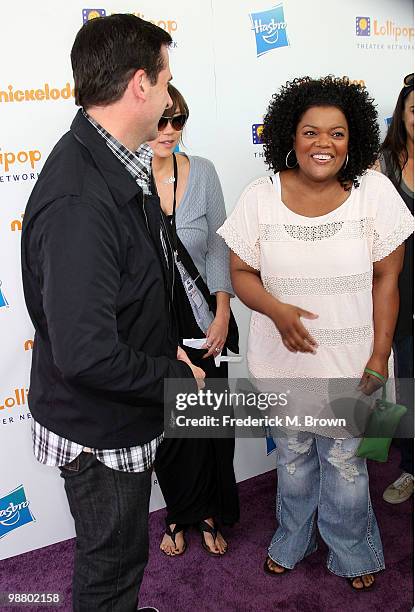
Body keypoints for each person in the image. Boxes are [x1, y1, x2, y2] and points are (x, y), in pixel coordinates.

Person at [21, 14, 204, 612]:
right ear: (140, 85)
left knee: (119, 555)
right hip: (100, 426)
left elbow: (123, 291)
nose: (172, 91)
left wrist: (163, 347)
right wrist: (176, 380)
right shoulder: (81, 199)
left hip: (115, 409)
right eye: (167, 75)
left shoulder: (109, 160)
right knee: (112, 563)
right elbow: (87, 354)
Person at [218, 76, 414, 590]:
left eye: (337, 133)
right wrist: (277, 311)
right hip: (283, 368)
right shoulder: (259, 197)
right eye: (310, 132)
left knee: (347, 465)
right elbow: (240, 273)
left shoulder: (376, 193)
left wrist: (379, 354)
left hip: (353, 366)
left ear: (356, 139)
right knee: (294, 456)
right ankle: (292, 538)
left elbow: (388, 277)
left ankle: (352, 551)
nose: (323, 143)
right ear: (290, 135)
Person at [146, 84, 239, 557]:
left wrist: (223, 312)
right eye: (161, 120)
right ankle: (181, 513)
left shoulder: (202, 173)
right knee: (175, 432)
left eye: (177, 120)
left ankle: (209, 513)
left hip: (204, 316)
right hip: (154, 327)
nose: (169, 131)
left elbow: (220, 246)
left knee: (212, 428)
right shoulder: (128, 179)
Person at [375, 73, 414, 504]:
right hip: (397, 289)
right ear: (402, 114)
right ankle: (408, 467)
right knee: (403, 381)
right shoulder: (383, 164)